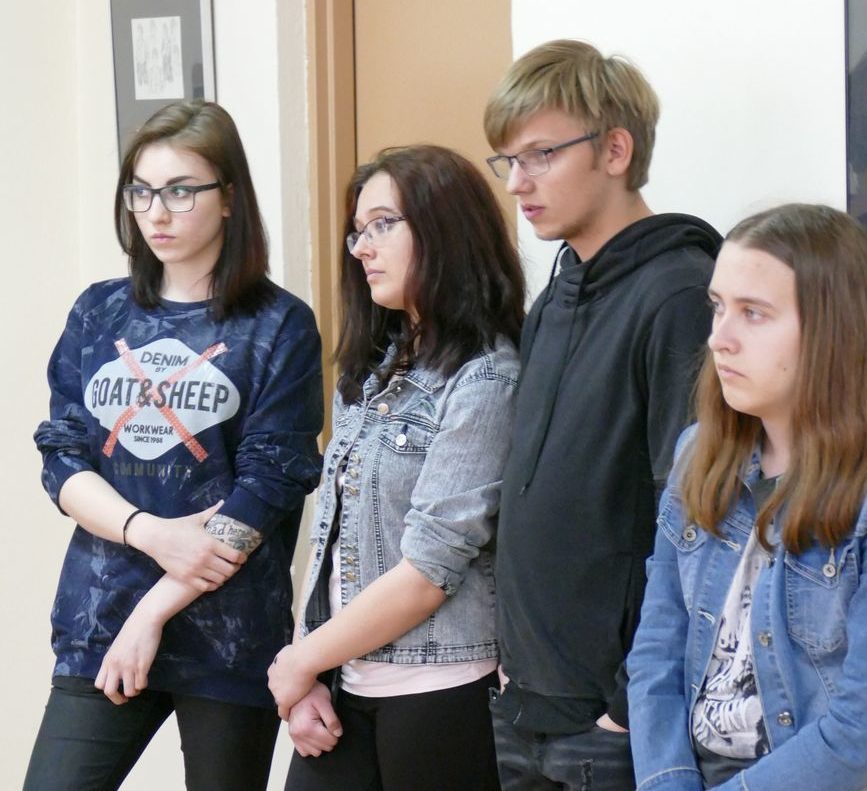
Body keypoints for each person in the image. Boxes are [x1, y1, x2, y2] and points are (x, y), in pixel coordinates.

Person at [26, 99, 324, 791]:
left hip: (228, 632)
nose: (156, 212)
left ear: (229, 198)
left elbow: (269, 485)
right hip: (100, 617)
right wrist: (149, 532)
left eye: (180, 191)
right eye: (141, 191)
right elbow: (62, 457)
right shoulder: (98, 310)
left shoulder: (279, 325)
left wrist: (153, 610)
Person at [482, 39, 722, 789]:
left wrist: (624, 703)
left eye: (540, 155)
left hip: (608, 723)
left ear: (615, 149)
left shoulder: (679, 293)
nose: (517, 183)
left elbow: (693, 512)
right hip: (524, 702)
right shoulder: (553, 299)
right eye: (507, 160)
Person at [267, 144, 525, 791]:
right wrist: (311, 672)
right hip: (343, 681)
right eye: (357, 231)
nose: (362, 247)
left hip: (439, 690)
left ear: (445, 230)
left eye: (382, 224)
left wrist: (300, 659)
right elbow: (329, 538)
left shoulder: (487, 375)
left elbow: (428, 570)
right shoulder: (371, 368)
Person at [627, 204, 867, 790]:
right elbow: (657, 652)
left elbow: (858, 734)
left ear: (833, 331)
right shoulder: (698, 452)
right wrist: (667, 781)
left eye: (753, 313)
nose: (719, 339)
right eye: (718, 307)